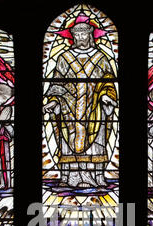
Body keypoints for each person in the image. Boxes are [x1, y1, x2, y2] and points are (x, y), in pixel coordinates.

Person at [43, 21, 117, 189]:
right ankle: (70, 178)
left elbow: (108, 82)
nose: (81, 37)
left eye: (84, 34)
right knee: (68, 144)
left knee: (97, 145)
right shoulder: (64, 58)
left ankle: (97, 178)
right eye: (77, 35)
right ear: (73, 37)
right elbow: (56, 84)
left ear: (90, 35)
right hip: (68, 109)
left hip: (95, 108)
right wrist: (54, 101)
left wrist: (106, 95)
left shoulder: (101, 58)